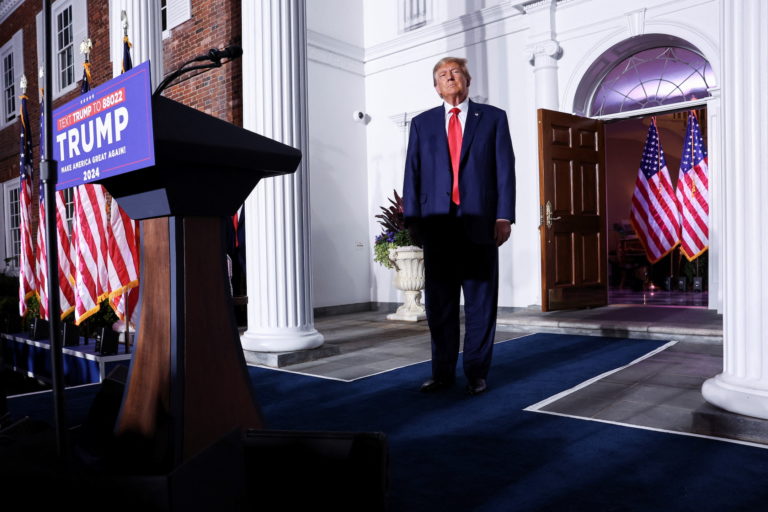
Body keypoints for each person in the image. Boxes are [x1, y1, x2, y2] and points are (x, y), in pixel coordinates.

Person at [402, 56, 515, 395]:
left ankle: (477, 372)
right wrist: (413, 221)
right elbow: (412, 173)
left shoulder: (493, 118)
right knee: (440, 304)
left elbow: (505, 168)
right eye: (442, 74)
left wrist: (504, 215)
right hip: (437, 226)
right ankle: (442, 374)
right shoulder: (422, 124)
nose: (449, 77)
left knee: (480, 302)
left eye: (455, 72)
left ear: (467, 79)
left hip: (480, 223)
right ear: (436, 86)